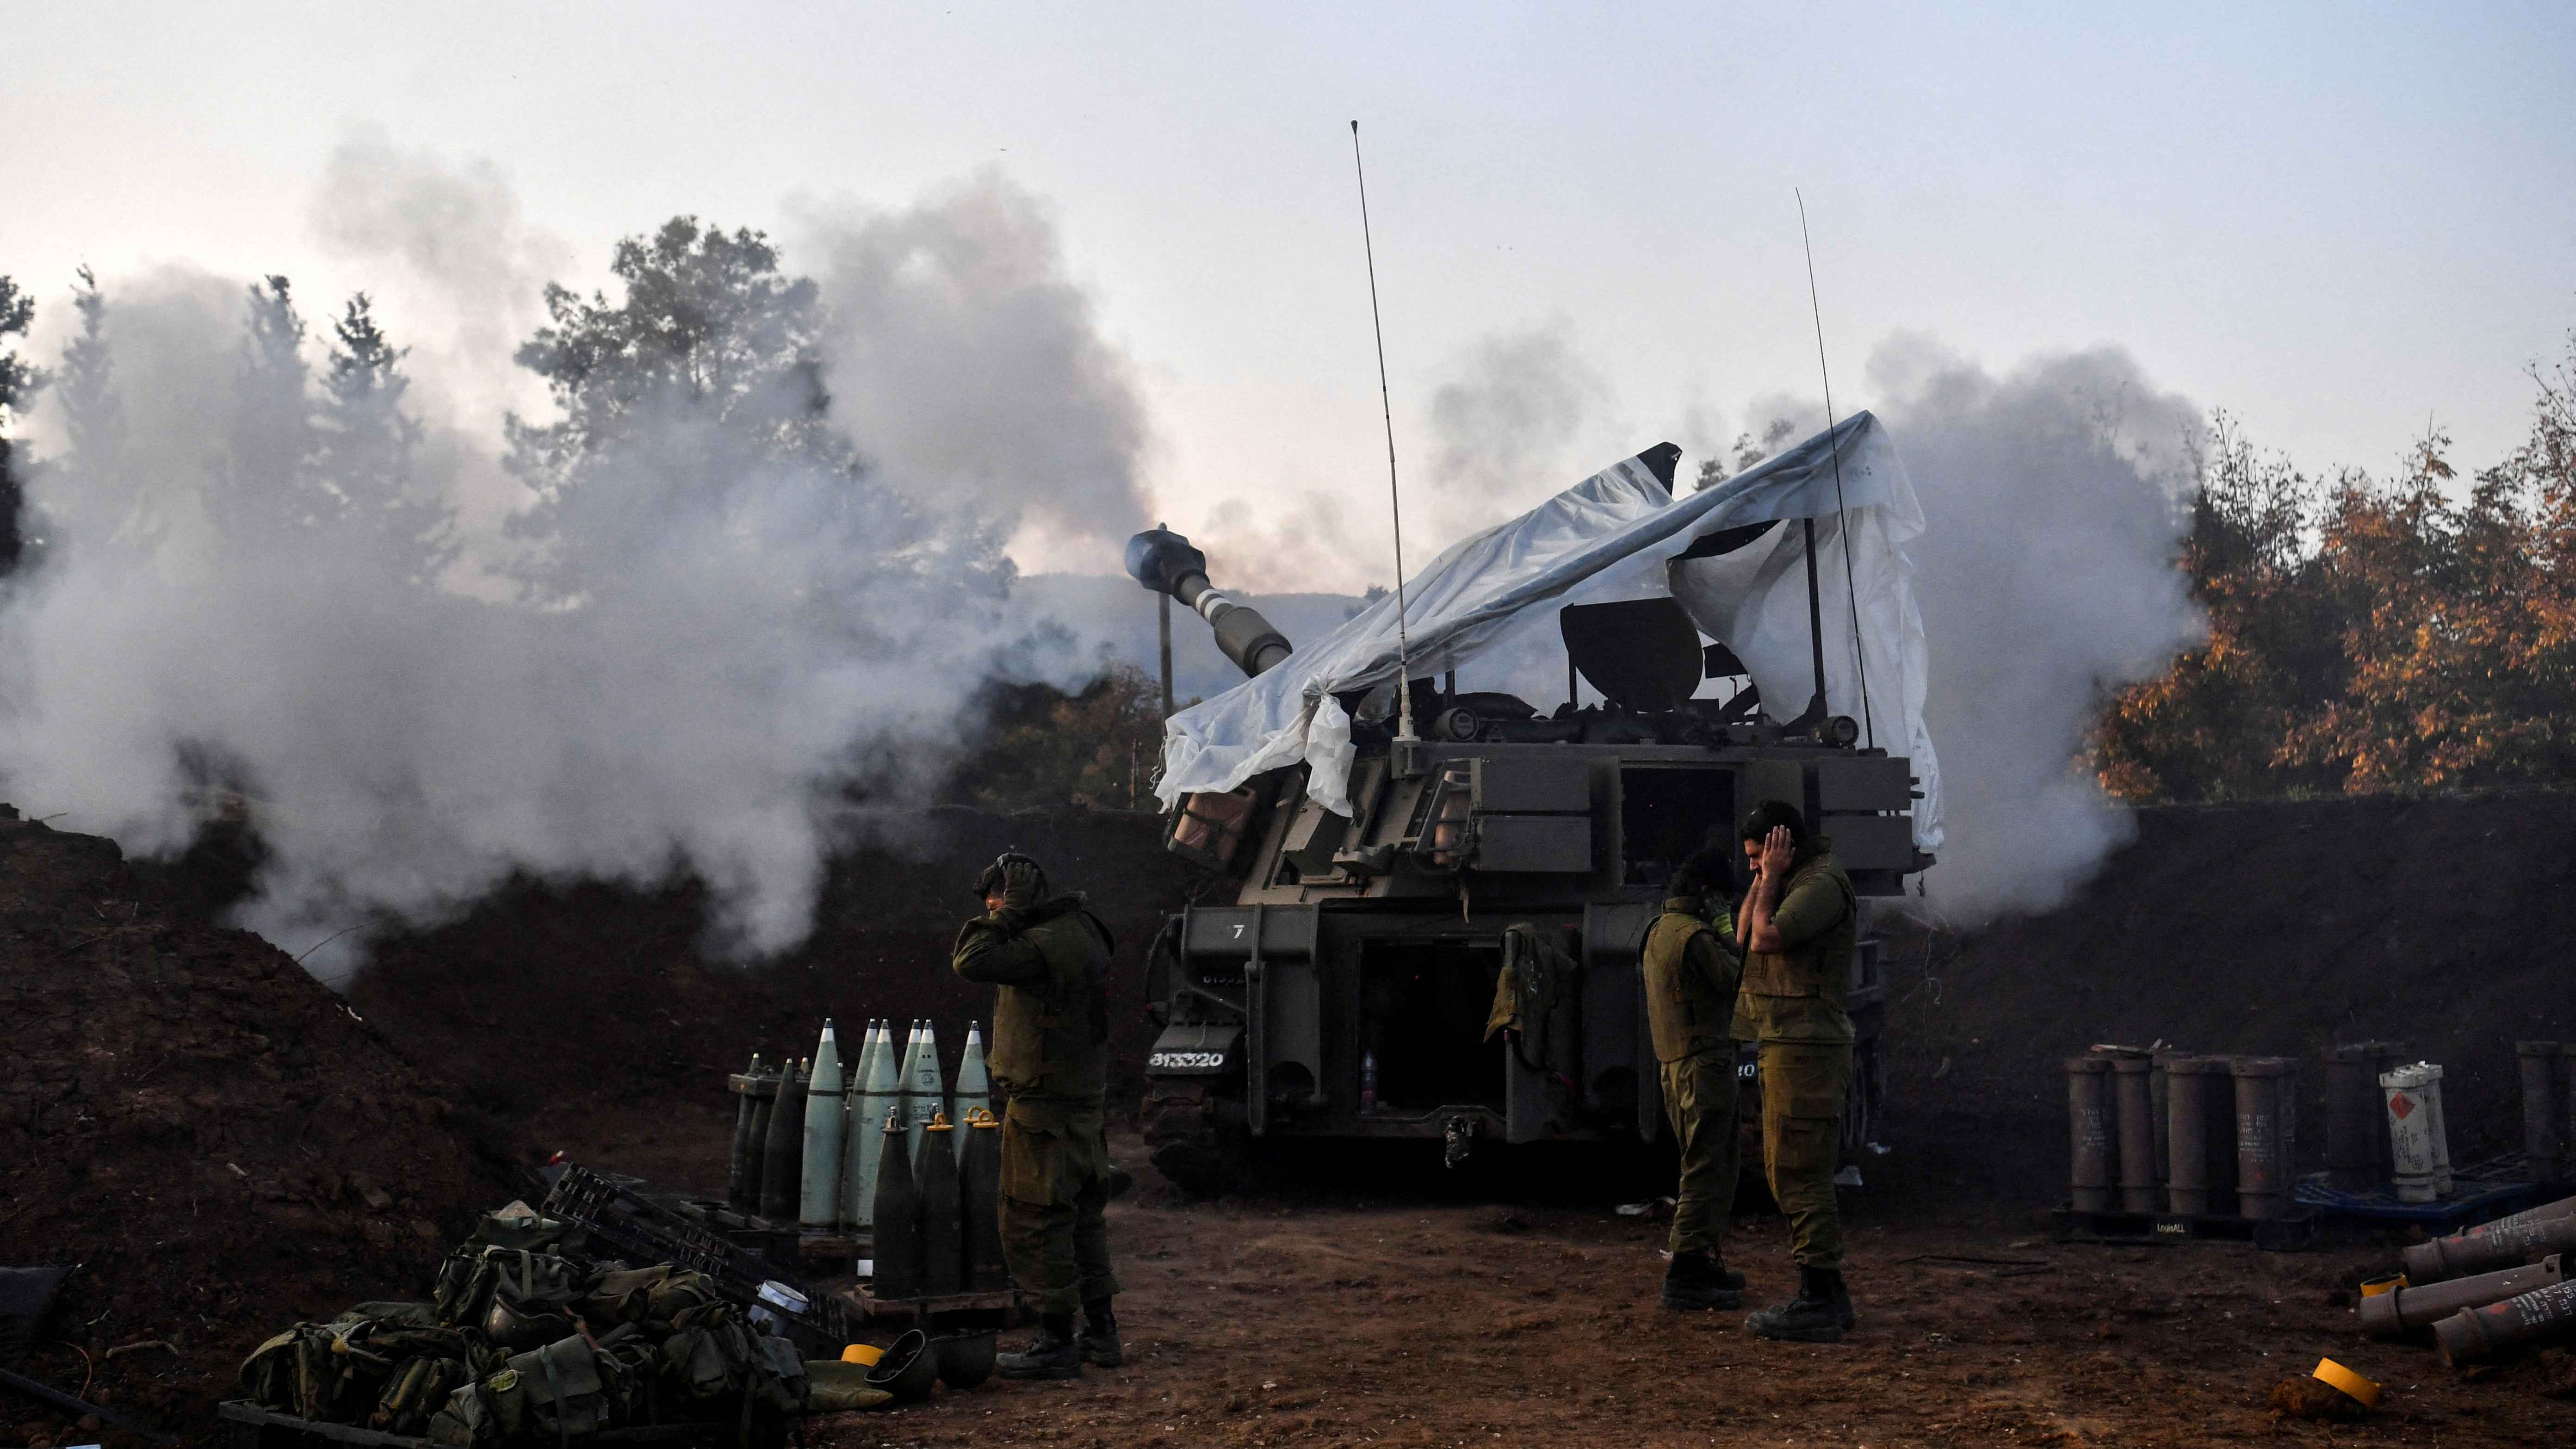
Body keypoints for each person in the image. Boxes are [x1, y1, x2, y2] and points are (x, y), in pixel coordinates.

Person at [951, 852, 1123, 1379]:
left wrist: (1008, 916)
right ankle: (1101, 1334)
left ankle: (1055, 1343)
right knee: (1080, 1224)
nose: (993, 913)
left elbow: (971, 960)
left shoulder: (1050, 941)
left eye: (995, 903)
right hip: (1078, 1106)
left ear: (1020, 897)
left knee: (1035, 1220)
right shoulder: (1076, 930)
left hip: (1046, 1110)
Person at [1732, 800, 1861, 1343]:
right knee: (1786, 1168)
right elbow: (1743, 931)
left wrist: (1774, 878)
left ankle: (1822, 1296)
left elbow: (1765, 940)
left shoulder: (1822, 886)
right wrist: (1766, 878)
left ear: (1784, 845)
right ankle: (1822, 1293)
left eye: (1759, 854)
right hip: (1786, 1042)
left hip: (1808, 1045)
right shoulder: (1784, 880)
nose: (1753, 866)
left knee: (1802, 1173)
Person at [1640, 843, 1748, 1311]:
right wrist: (1728, 931)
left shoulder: (1660, 929)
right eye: (1722, 901)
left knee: (1704, 1163)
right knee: (1708, 1168)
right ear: (1708, 895)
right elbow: (1739, 979)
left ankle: (1702, 1261)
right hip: (1705, 1065)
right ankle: (1686, 1271)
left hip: (1678, 1065)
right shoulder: (1696, 938)